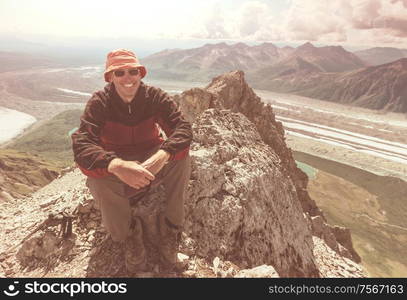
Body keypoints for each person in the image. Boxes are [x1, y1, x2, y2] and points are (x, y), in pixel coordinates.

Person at [71, 49, 192, 273]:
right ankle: (128, 236)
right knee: (97, 180)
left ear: (140, 74)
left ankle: (171, 228)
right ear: (110, 77)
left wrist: (163, 154)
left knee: (181, 159)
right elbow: (82, 143)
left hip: (151, 154)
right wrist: (116, 165)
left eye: (132, 71)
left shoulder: (155, 97)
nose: (127, 78)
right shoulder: (100, 102)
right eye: (119, 73)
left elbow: (182, 129)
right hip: (116, 159)